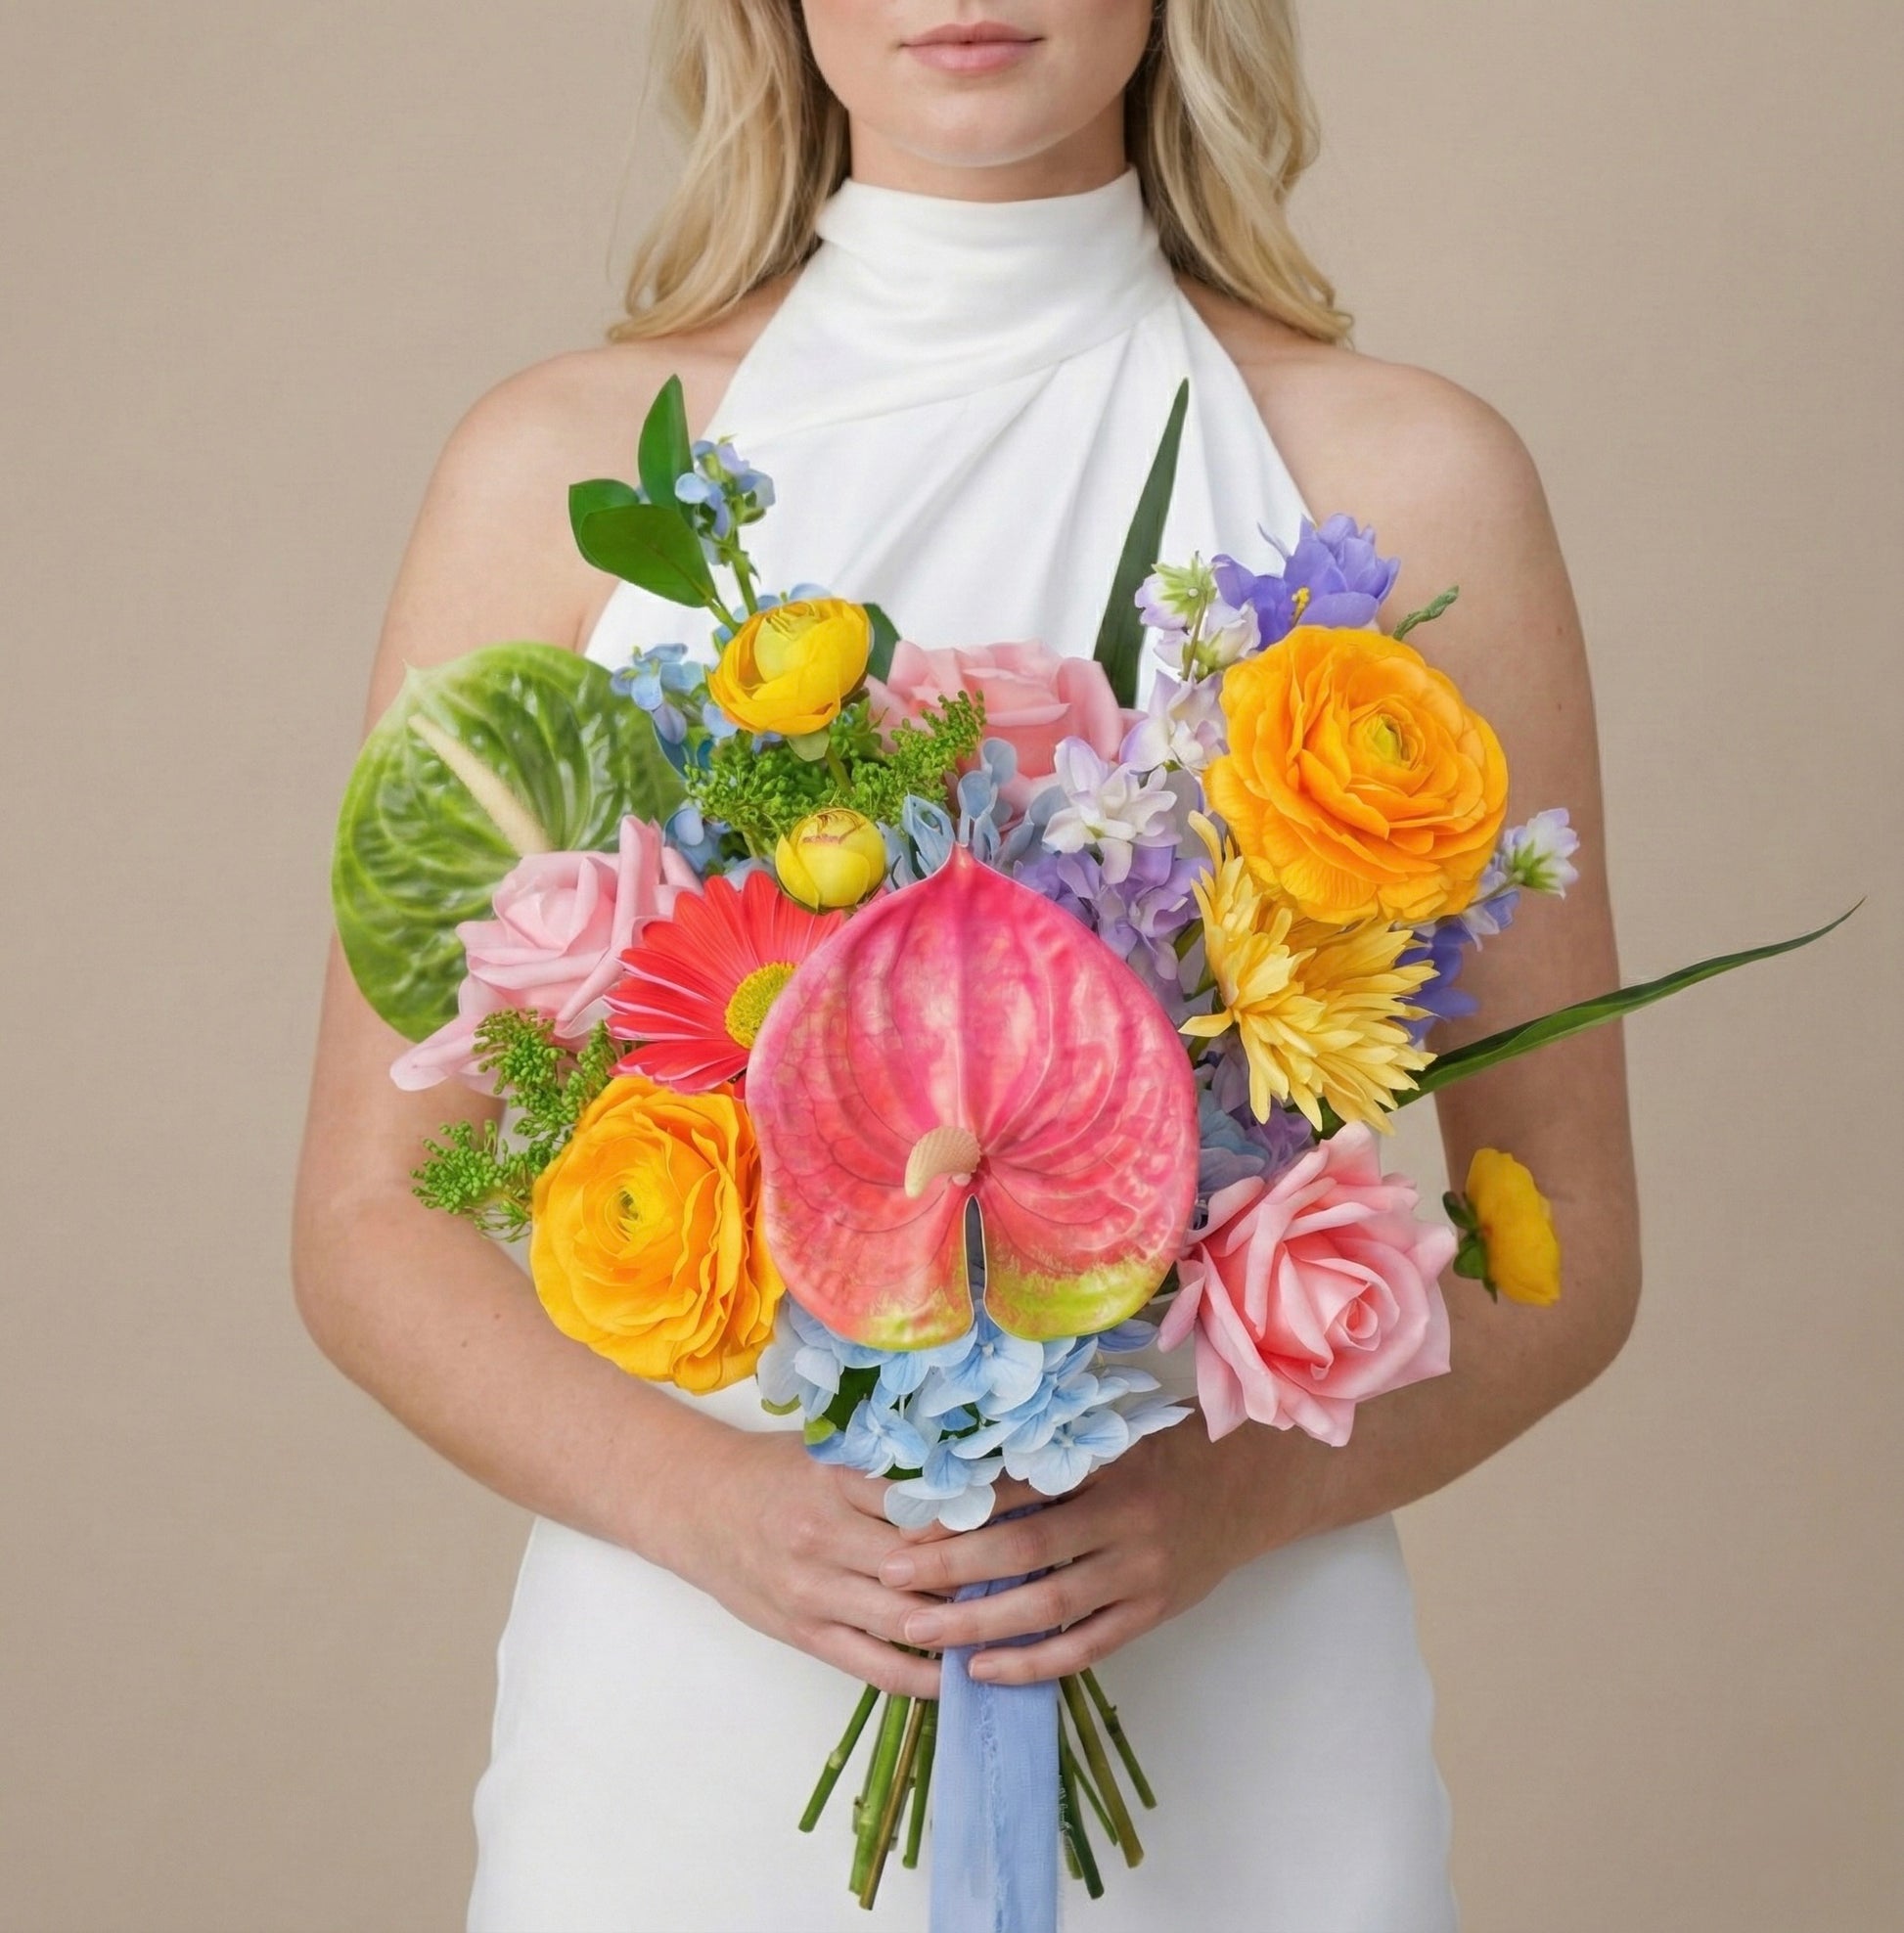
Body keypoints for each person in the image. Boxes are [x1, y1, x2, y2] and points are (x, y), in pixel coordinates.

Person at [293, 4, 1640, 1927]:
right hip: (699, 1681)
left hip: (1235, 1689)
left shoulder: (1407, 480)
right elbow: (368, 1216)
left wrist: (1232, 1502)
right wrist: (720, 1513)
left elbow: (1564, 1235)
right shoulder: (553, 475)